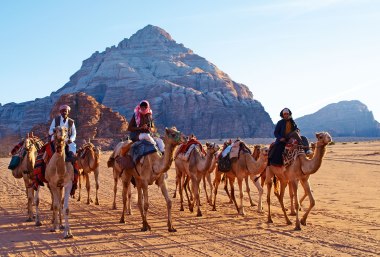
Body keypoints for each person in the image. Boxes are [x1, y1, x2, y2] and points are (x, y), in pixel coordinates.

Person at [48, 104, 79, 194]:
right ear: (60, 112)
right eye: (62, 111)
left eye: (66, 111)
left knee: (74, 159)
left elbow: (74, 133)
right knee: (46, 155)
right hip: (56, 141)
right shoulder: (56, 120)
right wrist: (55, 130)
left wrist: (71, 139)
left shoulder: (71, 122)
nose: (64, 112)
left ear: (68, 112)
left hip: (67, 142)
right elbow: (50, 131)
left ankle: (73, 178)